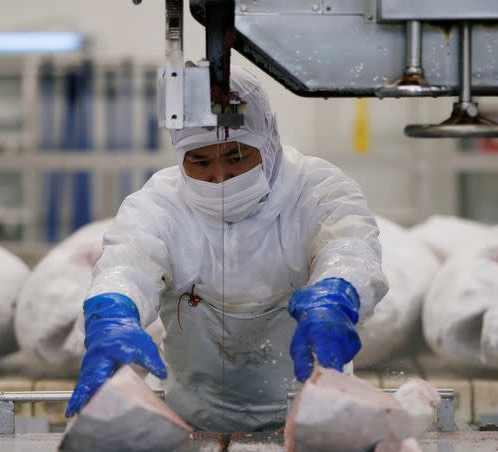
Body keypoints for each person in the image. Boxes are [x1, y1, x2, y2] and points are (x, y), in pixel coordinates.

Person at [65, 66, 388, 431]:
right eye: (200, 161)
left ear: (266, 142)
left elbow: (351, 247)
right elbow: (127, 264)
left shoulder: (316, 190)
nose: (219, 177)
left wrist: (336, 297)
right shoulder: (159, 204)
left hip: (318, 417)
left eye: (235, 157)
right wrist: (113, 314)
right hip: (194, 421)